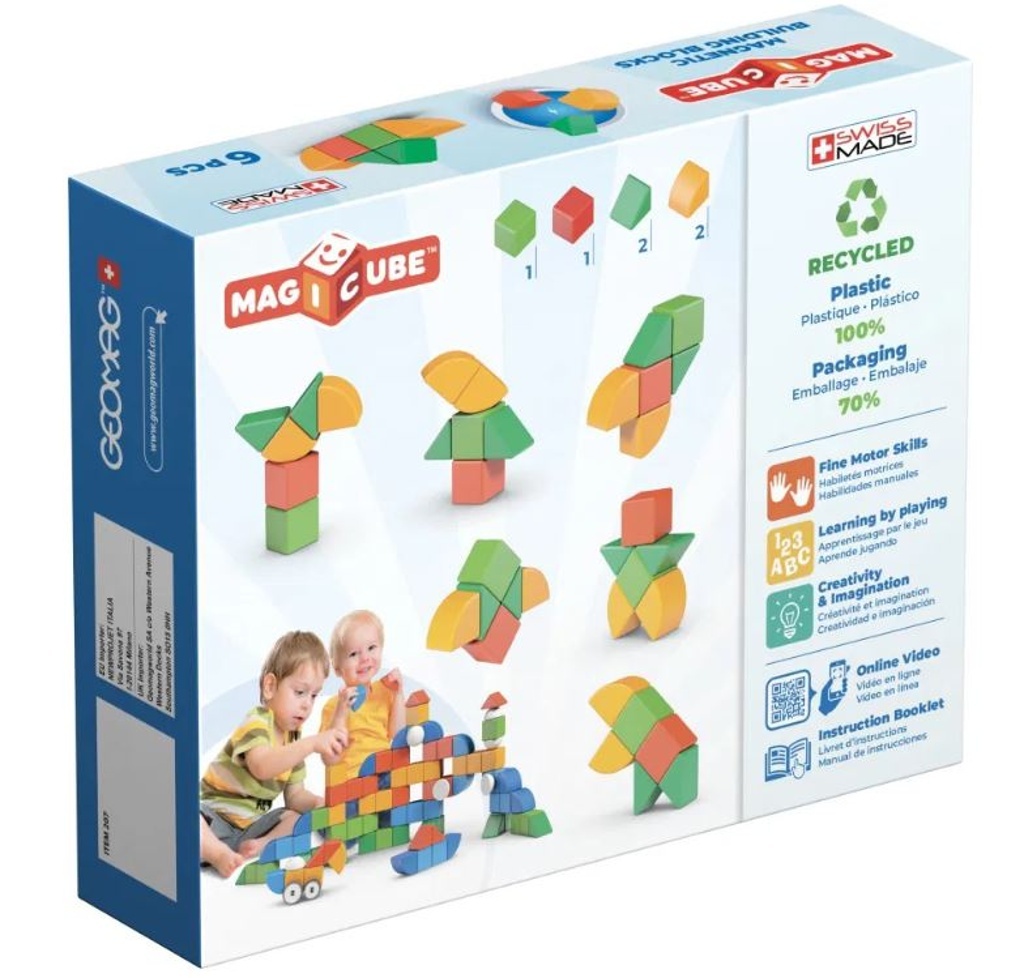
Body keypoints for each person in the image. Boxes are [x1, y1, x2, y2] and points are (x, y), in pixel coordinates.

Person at [199, 630, 347, 877]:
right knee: (187, 817)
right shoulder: (257, 722)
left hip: (250, 829)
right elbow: (261, 766)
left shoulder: (293, 738)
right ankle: (217, 853)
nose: (307, 704)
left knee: (294, 818)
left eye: (314, 695)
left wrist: (319, 804)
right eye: (300, 692)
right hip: (214, 819)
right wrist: (311, 744)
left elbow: (295, 796)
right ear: (270, 687)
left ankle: (258, 847)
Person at [319, 610, 406, 783]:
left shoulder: (385, 692)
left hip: (384, 772)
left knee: (403, 774)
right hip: (352, 781)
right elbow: (329, 758)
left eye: (371, 648)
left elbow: (397, 736)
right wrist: (341, 711)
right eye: (353, 654)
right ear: (337, 668)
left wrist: (398, 694)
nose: (365, 658)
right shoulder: (333, 706)